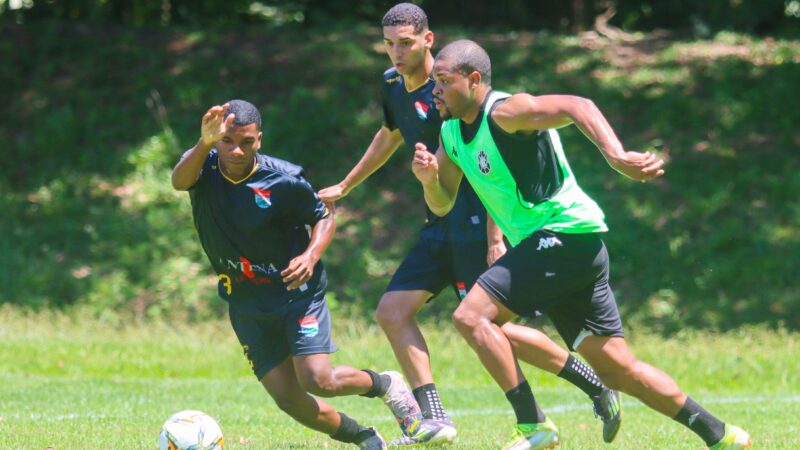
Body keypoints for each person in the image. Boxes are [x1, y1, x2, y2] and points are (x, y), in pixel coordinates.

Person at [411, 39, 753, 450]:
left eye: (443, 81)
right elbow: (443, 202)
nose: (435, 90)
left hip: (564, 234)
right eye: (433, 82)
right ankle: (722, 435)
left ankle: (533, 426)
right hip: (567, 246)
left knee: (471, 318)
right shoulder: (450, 135)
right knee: (617, 370)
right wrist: (430, 180)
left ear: (474, 79)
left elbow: (578, 105)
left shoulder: (505, 112)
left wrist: (615, 153)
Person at [319, 3, 621, 446]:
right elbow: (389, 135)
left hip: (477, 224)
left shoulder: (453, 92)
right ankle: (435, 416)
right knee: (392, 311)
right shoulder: (392, 86)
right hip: (438, 219)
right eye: (388, 44)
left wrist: (495, 237)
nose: (396, 53)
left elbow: (491, 169)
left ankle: (590, 391)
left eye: (405, 43)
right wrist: (347, 184)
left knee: (492, 327)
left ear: (428, 40)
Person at [172, 99, 426, 450]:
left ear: (259, 139)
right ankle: (365, 438)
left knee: (319, 380)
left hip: (296, 293)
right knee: (288, 399)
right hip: (245, 301)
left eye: (246, 142)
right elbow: (178, 181)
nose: (236, 150)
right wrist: (203, 144)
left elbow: (323, 215)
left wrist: (311, 254)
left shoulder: (283, 178)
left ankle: (385, 385)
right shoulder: (204, 164)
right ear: (216, 138)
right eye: (227, 141)